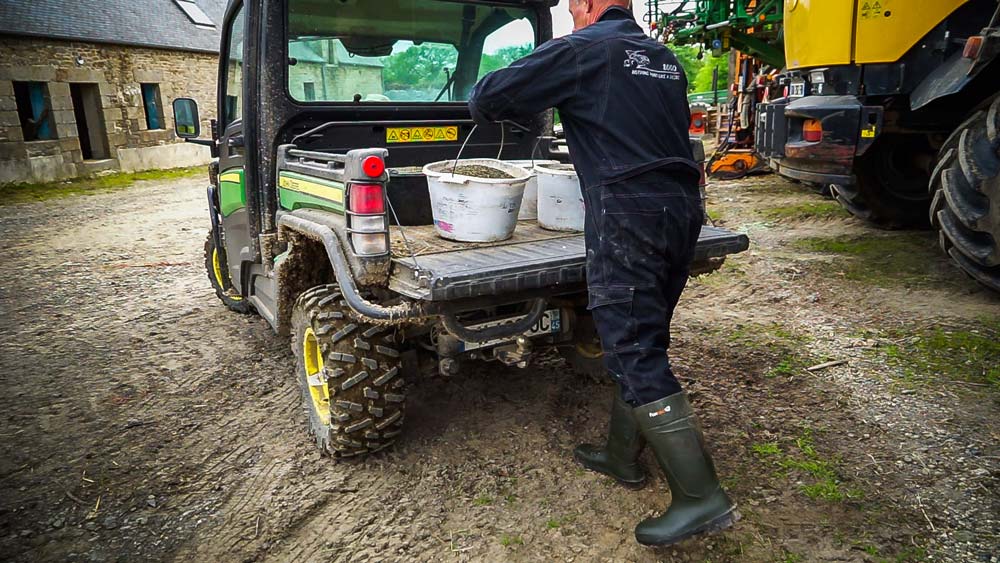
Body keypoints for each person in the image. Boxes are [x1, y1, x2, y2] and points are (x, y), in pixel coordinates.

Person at [468, 0, 737, 547]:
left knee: (632, 347)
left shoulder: (582, 50)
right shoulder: (662, 56)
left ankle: (701, 496)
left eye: (572, 8)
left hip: (630, 210)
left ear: (590, 5)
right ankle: (621, 456)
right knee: (645, 336)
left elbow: (489, 96)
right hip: (681, 207)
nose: (570, 17)